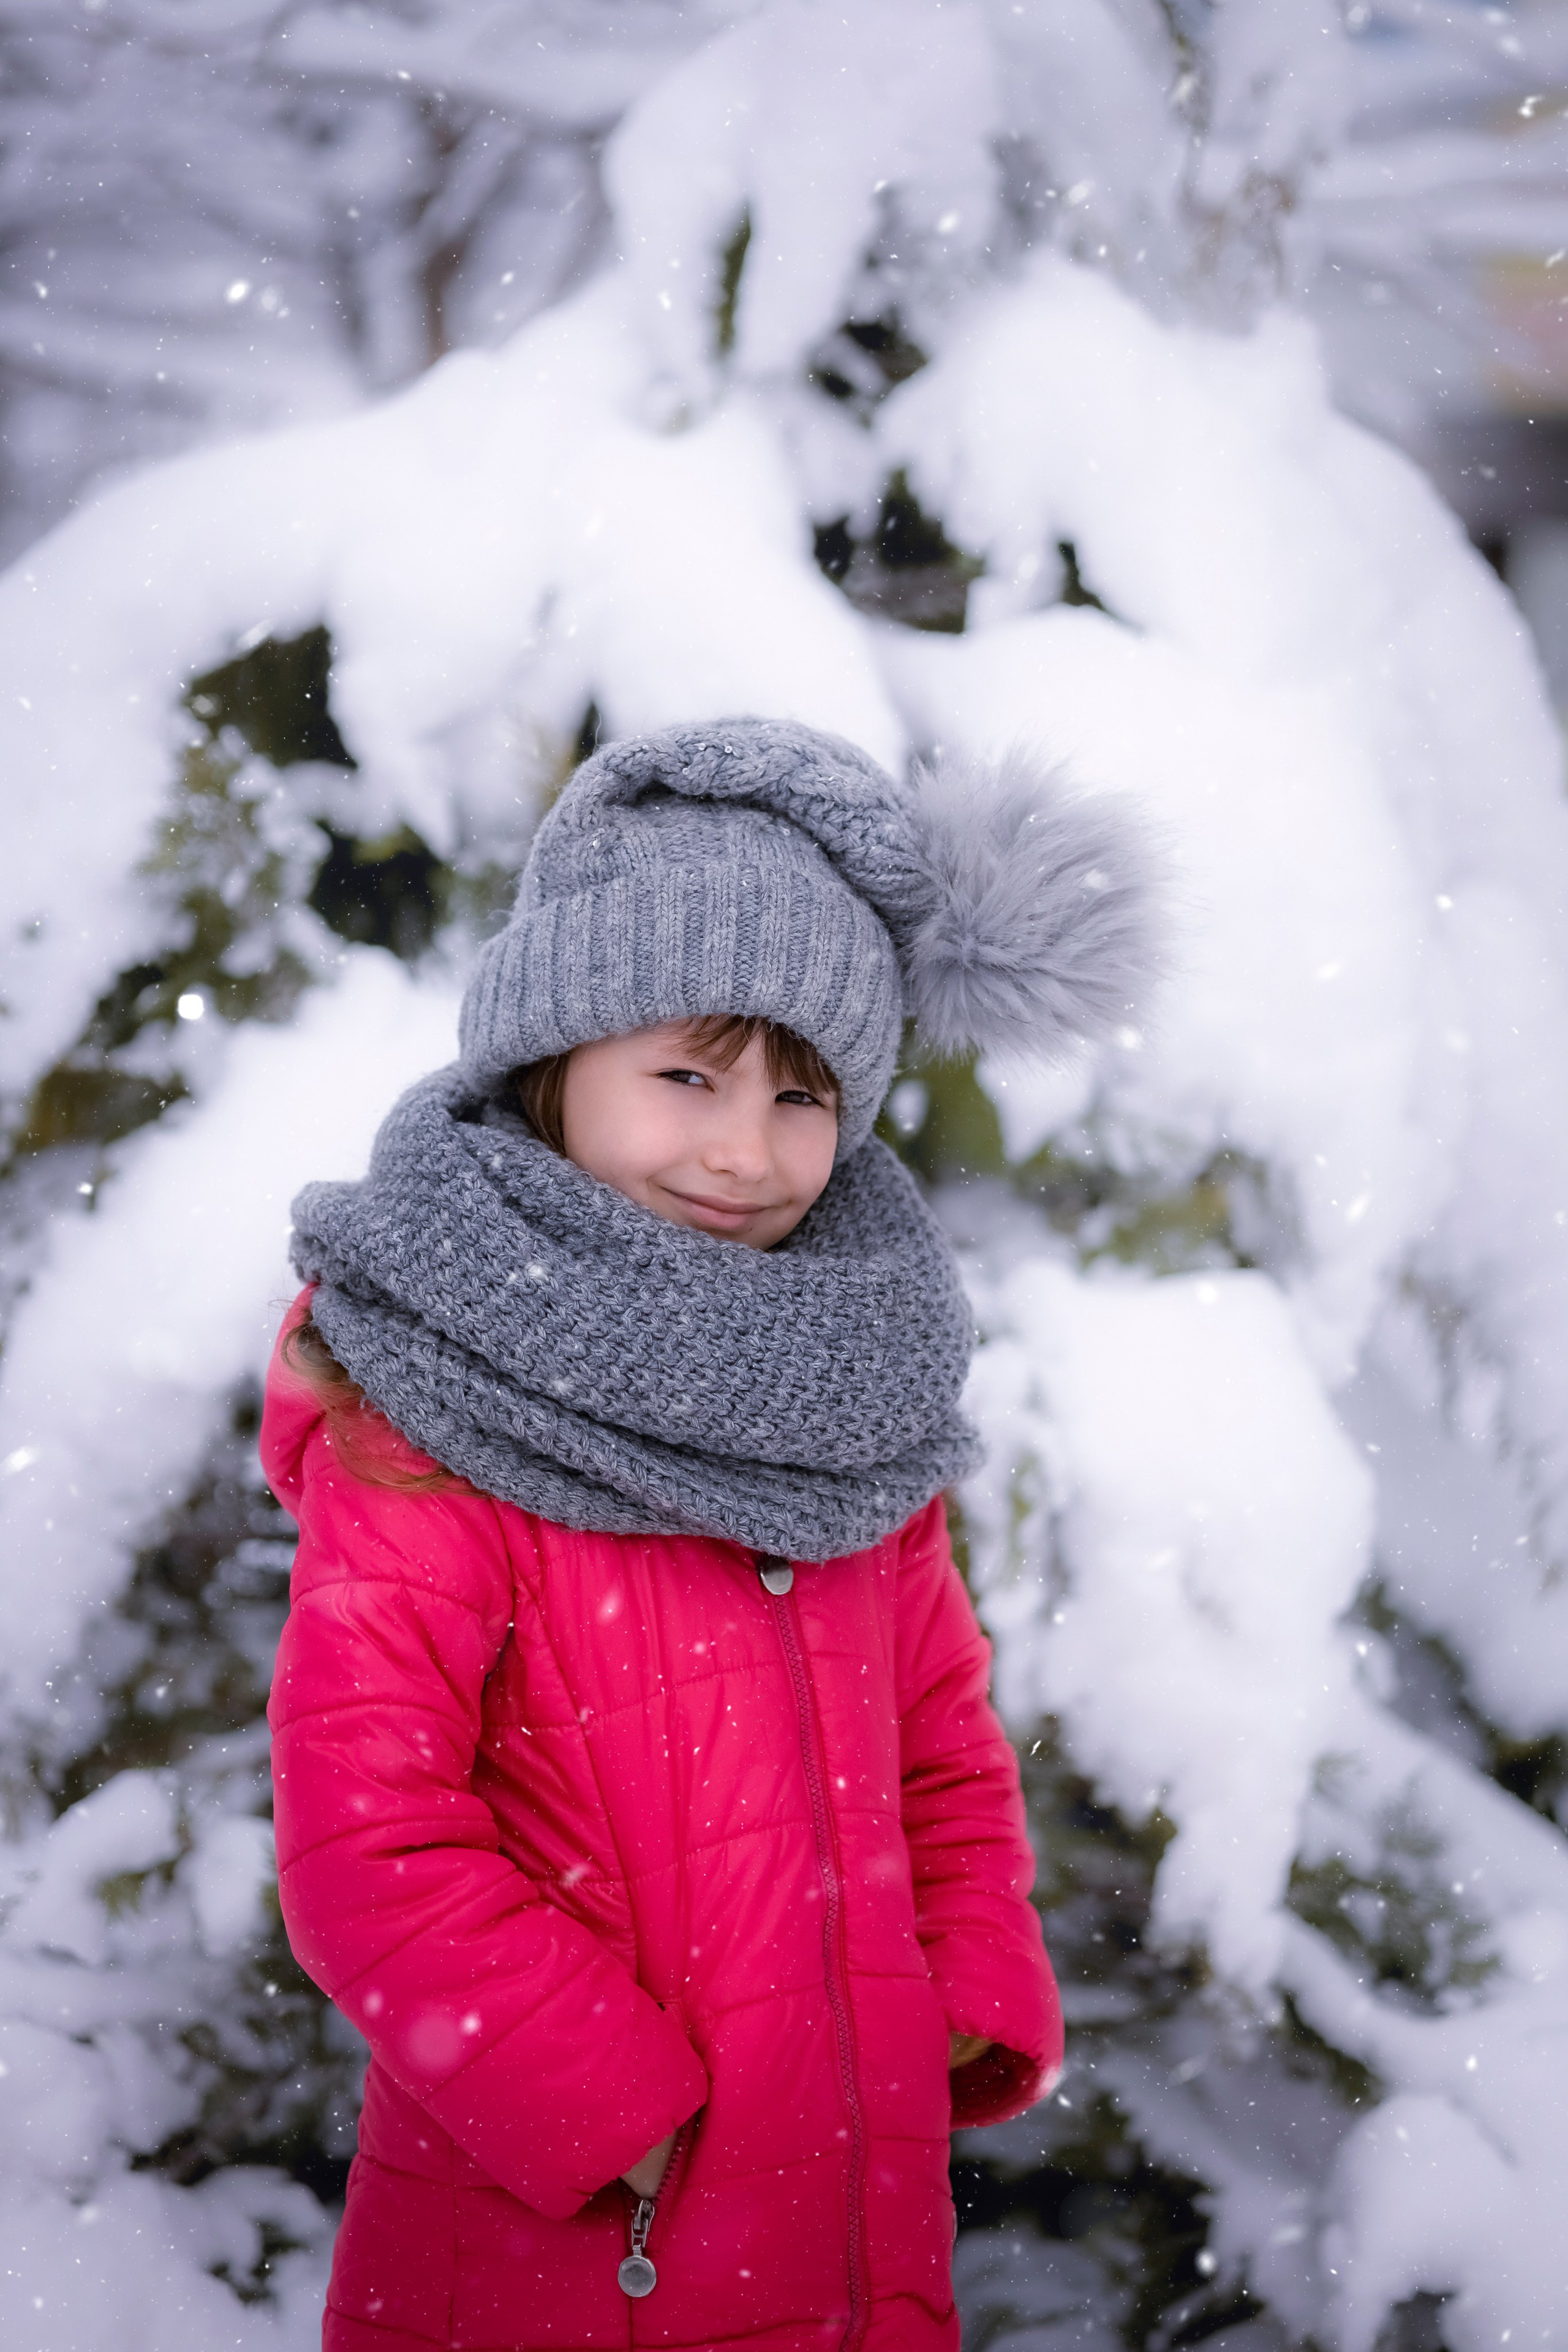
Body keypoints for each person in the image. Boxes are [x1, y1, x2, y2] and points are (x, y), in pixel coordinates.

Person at [262, 716, 1158, 2351]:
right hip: (568, 2248)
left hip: (850, 2211)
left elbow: (940, 1745)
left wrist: (951, 1999)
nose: (746, 1148)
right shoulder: (433, 1415)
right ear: (556, 1062)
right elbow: (368, 1839)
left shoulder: (849, 1405)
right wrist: (624, 2108)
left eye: (805, 1095)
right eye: (688, 1074)